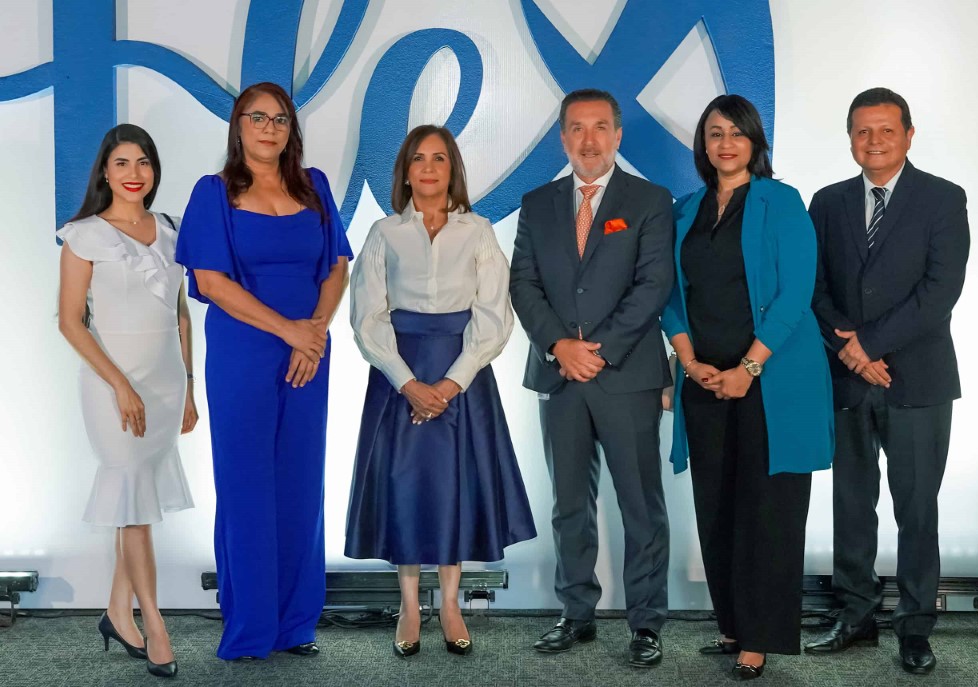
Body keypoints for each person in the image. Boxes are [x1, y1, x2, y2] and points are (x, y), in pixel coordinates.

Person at [174, 82, 352, 660]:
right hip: (244, 352)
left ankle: (296, 625)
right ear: (239, 125)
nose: (269, 127)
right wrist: (290, 331)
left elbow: (337, 266)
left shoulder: (314, 185)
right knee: (247, 484)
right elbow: (210, 282)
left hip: (309, 354)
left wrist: (314, 331)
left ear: (290, 129)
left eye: (279, 118)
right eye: (258, 117)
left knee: (301, 483)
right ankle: (250, 628)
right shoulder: (214, 192)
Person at [345, 124, 536, 658]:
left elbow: (494, 314)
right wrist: (407, 383)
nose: (428, 168)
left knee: (456, 484)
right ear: (405, 172)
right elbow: (367, 315)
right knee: (405, 486)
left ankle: (450, 604)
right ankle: (409, 605)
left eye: (439, 159)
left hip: (462, 375)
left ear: (453, 170)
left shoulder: (478, 231)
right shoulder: (384, 233)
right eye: (418, 159)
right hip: (399, 376)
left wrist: (452, 382)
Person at [661, 95, 833, 680]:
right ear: (703, 145)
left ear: (756, 142)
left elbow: (795, 293)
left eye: (737, 133)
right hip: (704, 379)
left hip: (770, 381)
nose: (726, 143)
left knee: (768, 511)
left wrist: (749, 368)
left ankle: (760, 638)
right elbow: (669, 293)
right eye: (715, 133)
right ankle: (733, 625)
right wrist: (689, 361)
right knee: (716, 507)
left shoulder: (781, 202)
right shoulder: (685, 210)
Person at [804, 88, 970, 676]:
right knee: (851, 505)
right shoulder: (827, 202)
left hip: (917, 380)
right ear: (850, 137)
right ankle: (855, 616)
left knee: (916, 510)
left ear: (908, 134)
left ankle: (915, 627)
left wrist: (869, 345)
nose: (873, 141)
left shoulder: (944, 198)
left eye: (886, 130)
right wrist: (850, 352)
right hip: (847, 380)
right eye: (862, 131)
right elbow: (814, 287)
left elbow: (941, 290)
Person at [509, 89, 673, 668]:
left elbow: (653, 285)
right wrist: (560, 346)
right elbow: (523, 283)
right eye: (577, 128)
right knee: (569, 504)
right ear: (563, 138)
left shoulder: (650, 200)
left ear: (617, 135)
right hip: (560, 376)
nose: (589, 139)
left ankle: (646, 622)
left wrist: (597, 352)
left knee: (640, 505)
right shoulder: (537, 204)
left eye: (600, 127)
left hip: (625, 374)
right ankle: (575, 613)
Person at [57, 123, 197, 679]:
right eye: (122, 163)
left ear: (154, 170)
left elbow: (181, 313)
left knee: (134, 502)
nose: (134, 173)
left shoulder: (172, 230)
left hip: (165, 384)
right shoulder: (83, 235)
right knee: (134, 503)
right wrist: (119, 384)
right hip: (112, 384)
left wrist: (190, 388)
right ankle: (155, 625)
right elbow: (70, 322)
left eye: (143, 162)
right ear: (105, 172)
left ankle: (118, 613)